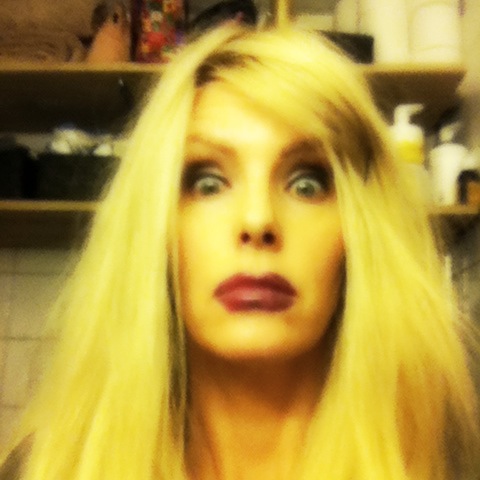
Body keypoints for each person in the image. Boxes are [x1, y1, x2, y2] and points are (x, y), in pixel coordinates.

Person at [1, 24, 479, 480]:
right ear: (155, 227)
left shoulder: (447, 462)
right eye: (207, 183)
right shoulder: (50, 468)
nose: (257, 221)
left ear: (358, 231)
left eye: (307, 184)